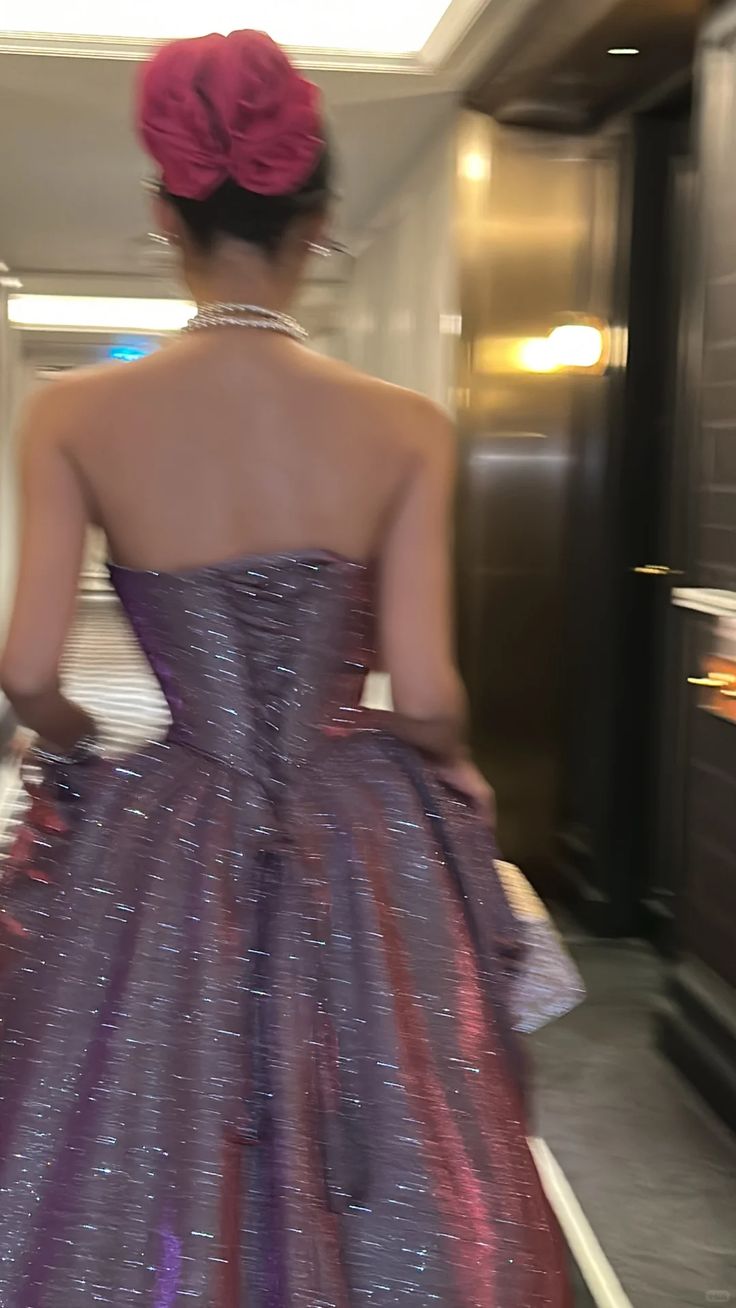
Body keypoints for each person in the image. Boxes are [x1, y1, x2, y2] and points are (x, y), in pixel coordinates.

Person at [0, 30, 578, 1306]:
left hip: (170, 813)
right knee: (406, 1125)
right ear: (318, 222)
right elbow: (427, 695)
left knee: (136, 1128)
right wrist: (454, 772)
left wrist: (79, 748)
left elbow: (26, 668)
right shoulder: (407, 428)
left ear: (165, 212)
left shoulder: (70, 417)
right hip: (359, 829)